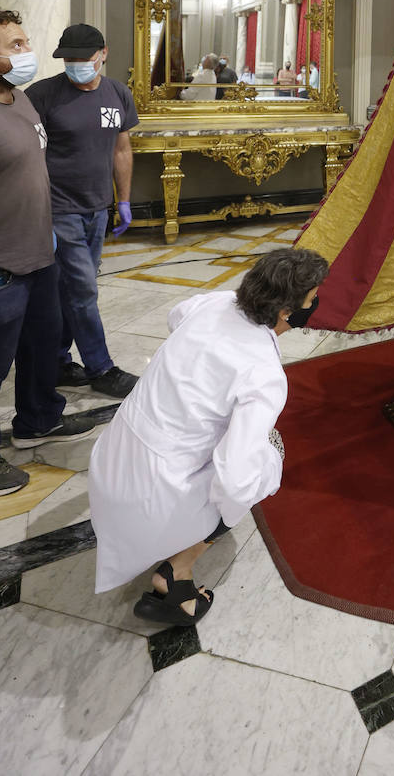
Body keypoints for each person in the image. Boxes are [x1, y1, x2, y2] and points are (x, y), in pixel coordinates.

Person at [89, 247, 328, 626]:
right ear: (287, 312)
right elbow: (236, 478)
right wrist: (247, 490)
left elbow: (175, 316)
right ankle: (176, 575)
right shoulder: (264, 374)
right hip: (153, 494)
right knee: (268, 452)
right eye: (312, 299)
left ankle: (168, 536)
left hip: (110, 461)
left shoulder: (217, 302)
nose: (314, 305)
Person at [0, 8, 96, 496]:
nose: (27, 53)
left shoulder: (20, 100)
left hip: (39, 256)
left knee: (40, 352)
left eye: (26, 42)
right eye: (15, 46)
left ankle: (37, 420)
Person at [26, 23, 140, 400]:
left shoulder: (117, 93)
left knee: (71, 289)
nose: (75, 65)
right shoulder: (42, 96)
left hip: (97, 209)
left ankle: (57, 360)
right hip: (58, 209)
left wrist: (122, 200)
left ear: (102, 54)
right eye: (68, 59)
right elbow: (28, 156)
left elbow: (121, 150)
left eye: (83, 58)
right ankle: (101, 367)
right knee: (83, 290)